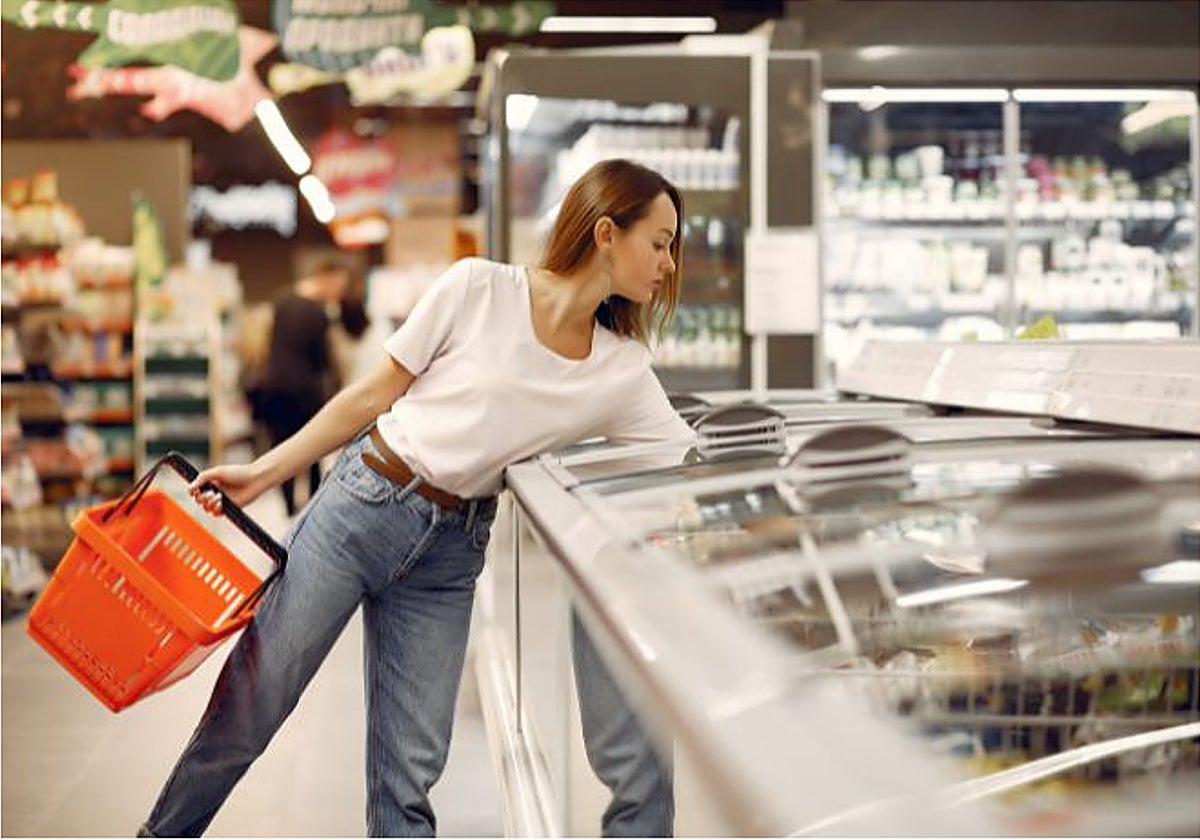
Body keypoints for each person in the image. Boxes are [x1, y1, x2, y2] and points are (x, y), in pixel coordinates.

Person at [138, 158, 693, 838]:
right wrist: (265, 472)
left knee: (410, 772)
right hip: (363, 505)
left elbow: (687, 465)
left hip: (451, 557)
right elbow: (374, 394)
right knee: (254, 702)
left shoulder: (622, 369)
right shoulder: (478, 288)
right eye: (660, 242)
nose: (669, 264)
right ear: (607, 232)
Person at [260, 260, 350, 515]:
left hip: (274, 386)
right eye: (338, 286)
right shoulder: (318, 313)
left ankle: (288, 508)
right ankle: (310, 510)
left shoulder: (281, 302)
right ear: (325, 278)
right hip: (304, 390)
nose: (338, 294)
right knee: (311, 450)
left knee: (280, 446)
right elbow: (321, 360)